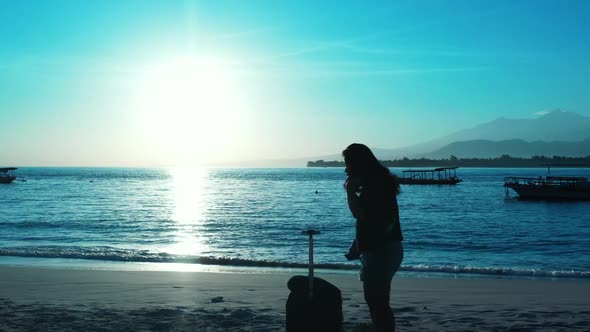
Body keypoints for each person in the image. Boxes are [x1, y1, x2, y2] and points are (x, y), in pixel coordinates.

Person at [342, 143, 404, 332]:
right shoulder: (379, 183)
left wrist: (350, 191)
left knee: (377, 302)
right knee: (377, 301)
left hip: (381, 251)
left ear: (358, 164)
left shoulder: (375, 186)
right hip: (383, 249)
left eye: (347, 164)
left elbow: (359, 214)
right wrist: (357, 245)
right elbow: (375, 221)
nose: (345, 169)